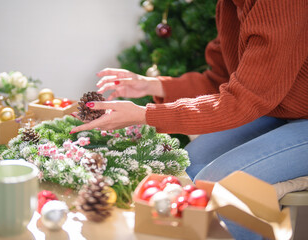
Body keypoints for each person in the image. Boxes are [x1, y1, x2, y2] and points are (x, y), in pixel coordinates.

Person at [71, 0, 308, 239]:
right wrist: (152, 84)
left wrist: (146, 115)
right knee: (187, 164)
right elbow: (222, 80)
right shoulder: (230, 5)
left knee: (221, 184)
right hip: (279, 109)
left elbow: (242, 101)